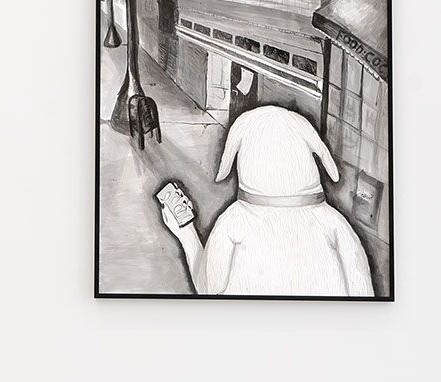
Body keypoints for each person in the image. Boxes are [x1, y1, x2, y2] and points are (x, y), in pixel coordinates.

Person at [159, 105, 373, 297]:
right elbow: (363, 293)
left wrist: (186, 232)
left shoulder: (234, 220)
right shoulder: (334, 223)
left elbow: (208, 288)